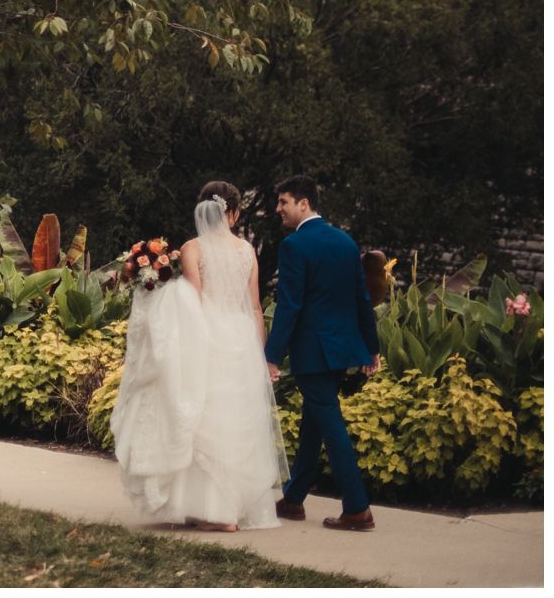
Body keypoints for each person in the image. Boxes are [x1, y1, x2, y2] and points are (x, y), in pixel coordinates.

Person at [113, 181, 288, 531]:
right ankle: (230, 509)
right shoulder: (246, 250)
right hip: (240, 338)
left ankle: (215, 512)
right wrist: (261, 352)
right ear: (234, 213)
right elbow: (254, 305)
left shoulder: (193, 248)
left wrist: (154, 291)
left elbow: (192, 299)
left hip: (206, 336)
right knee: (235, 421)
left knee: (202, 420)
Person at [264, 173, 382, 531]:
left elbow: (289, 307)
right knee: (314, 423)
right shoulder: (346, 242)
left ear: (304, 203)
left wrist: (271, 355)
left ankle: (357, 508)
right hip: (340, 350)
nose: (278, 210)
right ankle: (294, 498)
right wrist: (370, 348)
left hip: (313, 353)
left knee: (331, 426)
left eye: (283, 202)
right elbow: (362, 300)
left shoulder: (294, 246)